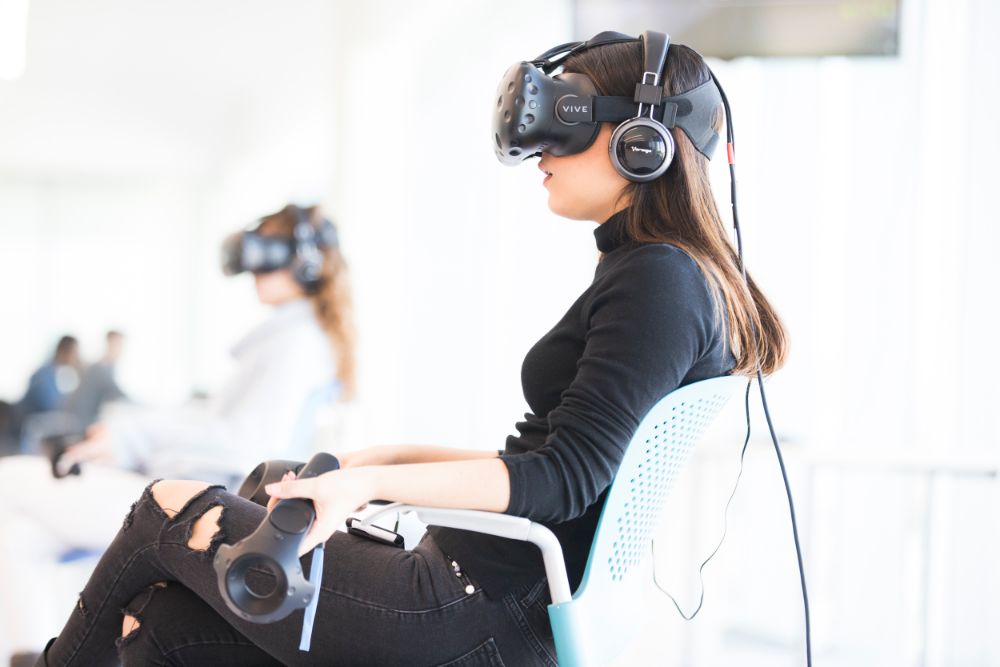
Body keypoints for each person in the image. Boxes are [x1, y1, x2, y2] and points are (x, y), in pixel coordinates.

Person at [29, 33, 786, 666]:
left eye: (567, 121)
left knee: (165, 506)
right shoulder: (654, 272)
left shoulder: (659, 279)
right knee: (165, 612)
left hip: (469, 609)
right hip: (479, 586)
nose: (540, 151)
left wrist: (361, 490)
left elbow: (562, 479)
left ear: (642, 141)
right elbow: (561, 455)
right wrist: (387, 461)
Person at [0, 204, 356, 664]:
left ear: (304, 261)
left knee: (8, 480)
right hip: (199, 493)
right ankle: (31, 654)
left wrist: (133, 439)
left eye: (269, 250)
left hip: (202, 506)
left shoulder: (298, 343)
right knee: (17, 536)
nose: (254, 266)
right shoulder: (296, 337)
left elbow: (245, 443)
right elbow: (216, 423)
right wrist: (129, 436)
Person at [62, 330, 128, 431]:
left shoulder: (106, 367)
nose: (121, 350)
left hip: (84, 420)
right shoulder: (100, 368)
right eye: (118, 344)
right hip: (81, 423)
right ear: (109, 343)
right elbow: (119, 394)